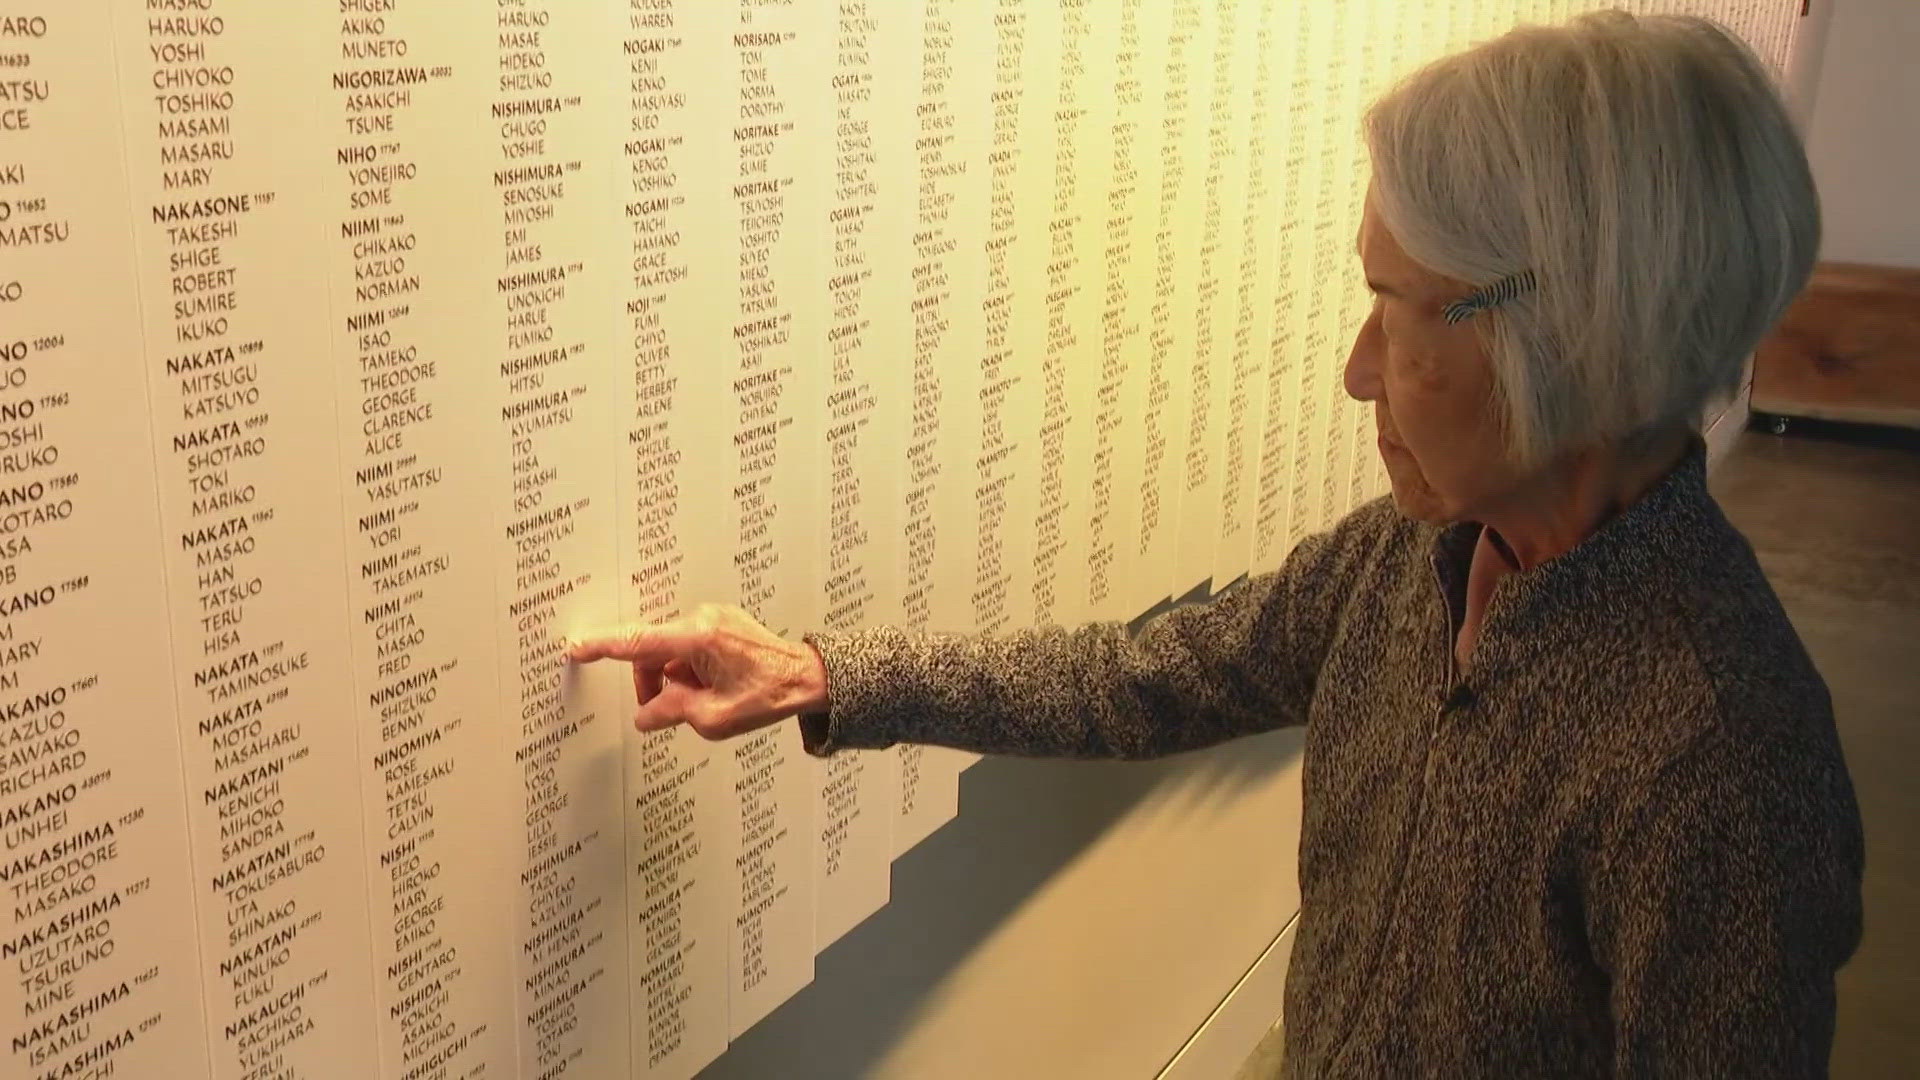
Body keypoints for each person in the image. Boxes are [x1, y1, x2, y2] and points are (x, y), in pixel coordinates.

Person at [570, 11, 1863, 1077]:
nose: (1357, 374)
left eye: (1393, 311)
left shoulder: (1718, 762)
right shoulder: (1410, 562)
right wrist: (824, 676)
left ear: (1571, 339)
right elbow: (1150, 675)